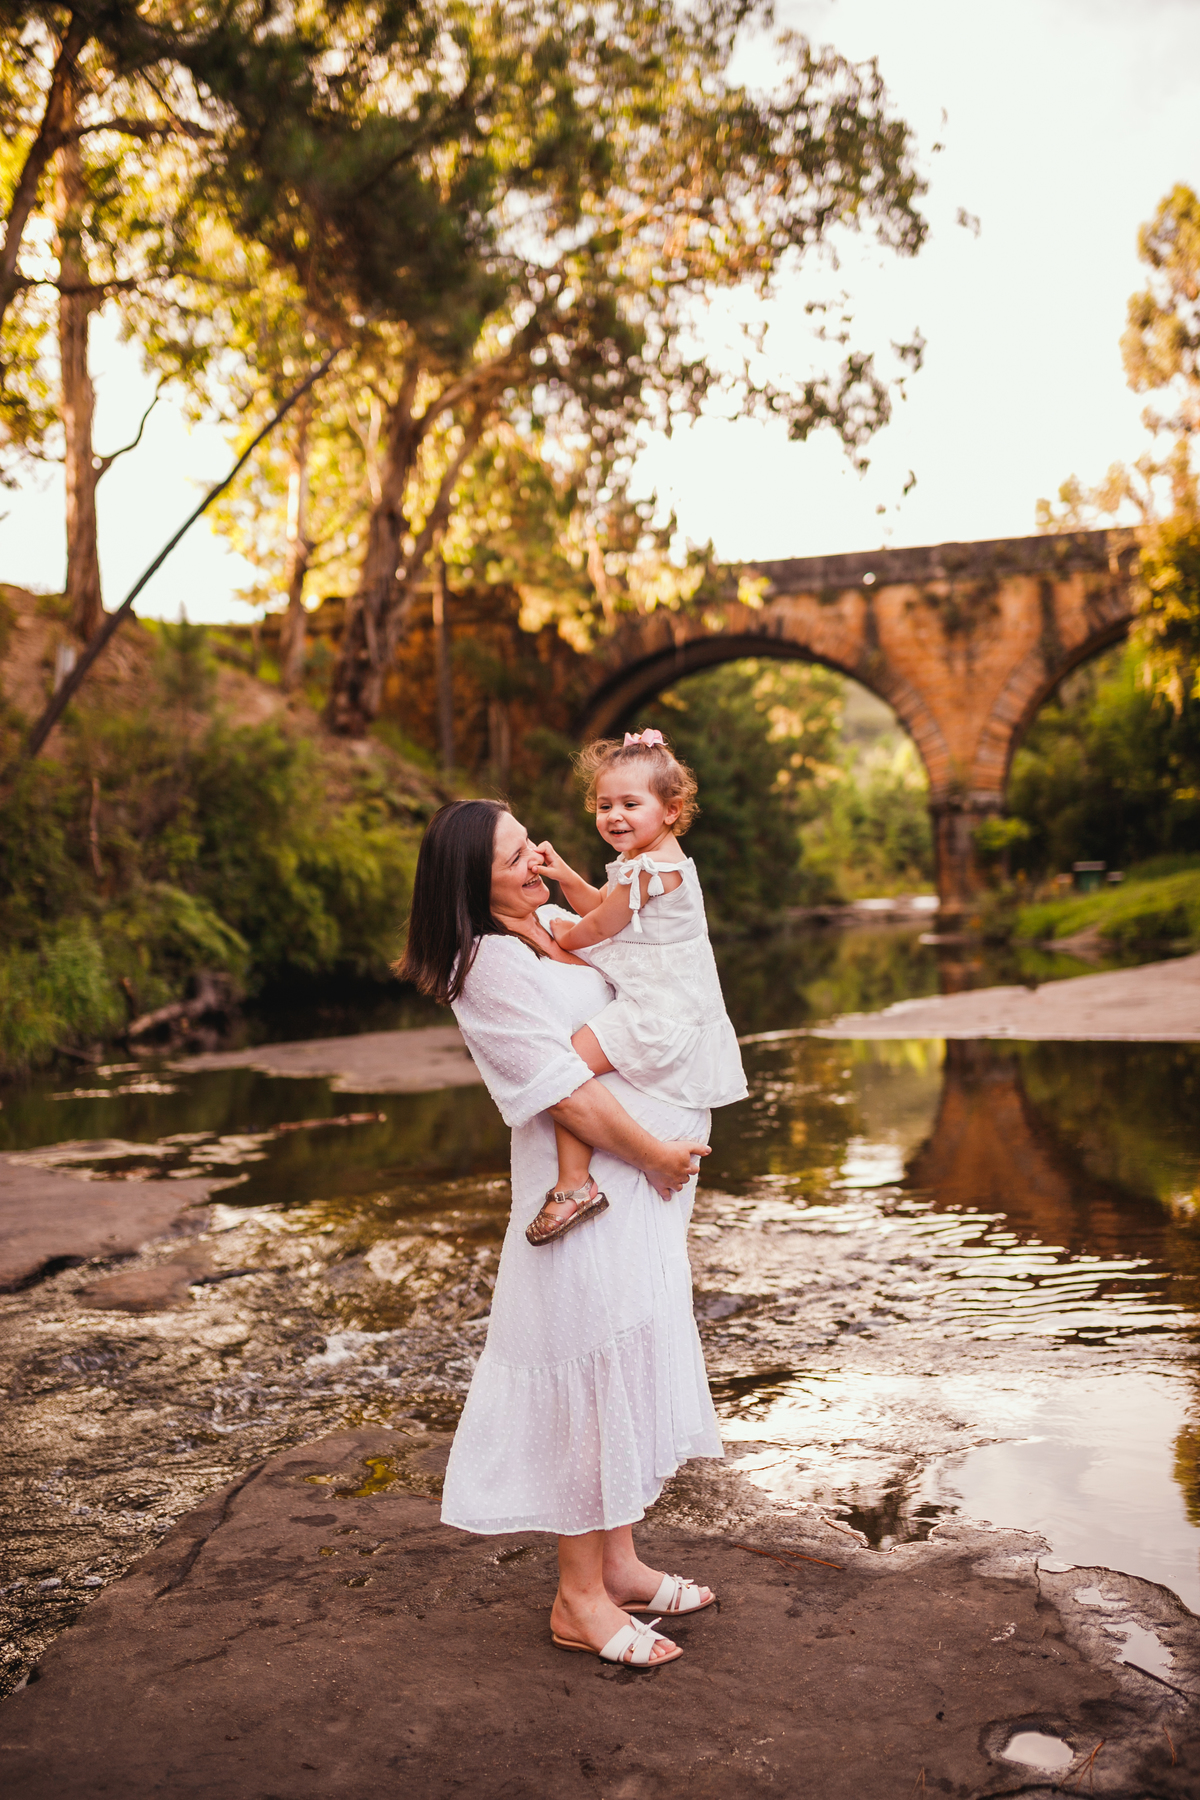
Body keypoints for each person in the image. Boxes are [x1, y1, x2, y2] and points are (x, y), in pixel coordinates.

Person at [397, 798, 724, 1669]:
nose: (535, 861)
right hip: (582, 1196)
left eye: (529, 845)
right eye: (513, 858)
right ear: (470, 881)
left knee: (627, 1352)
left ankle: (617, 1564)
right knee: (590, 1365)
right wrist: (655, 1152)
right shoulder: (483, 964)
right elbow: (560, 1088)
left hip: (637, 1192)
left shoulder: (546, 923)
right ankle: (578, 1599)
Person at [530, 728, 747, 1247]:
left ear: (671, 810)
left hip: (660, 1014)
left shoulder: (652, 867)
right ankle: (605, 1170)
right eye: (604, 805)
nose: (614, 816)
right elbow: (601, 905)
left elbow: (598, 926)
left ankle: (574, 1185)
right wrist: (564, 876)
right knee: (570, 1065)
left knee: (566, 1066)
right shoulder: (643, 861)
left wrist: (556, 936)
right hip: (665, 1002)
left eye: (630, 804)